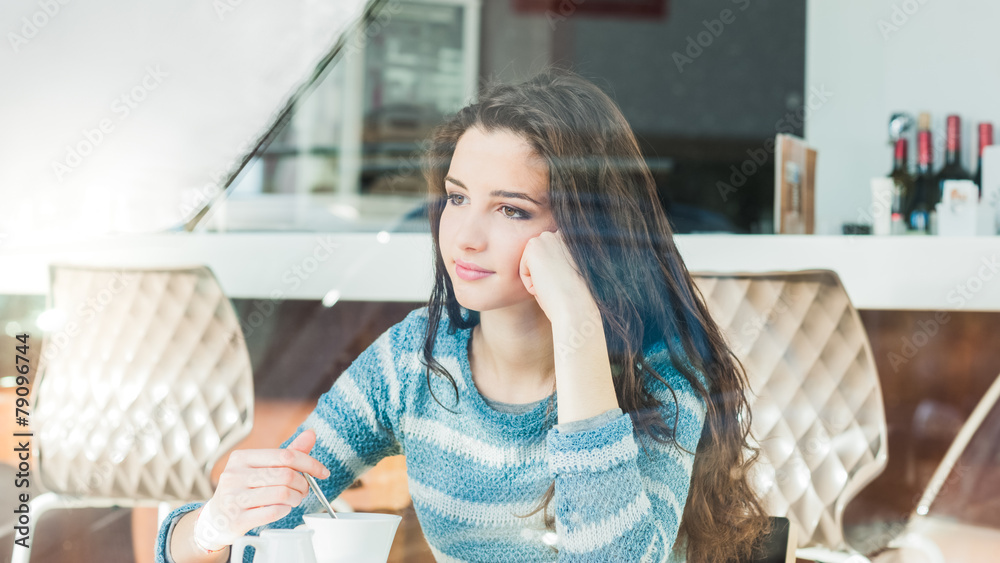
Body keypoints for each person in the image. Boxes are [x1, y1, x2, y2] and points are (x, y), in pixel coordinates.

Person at [155, 68, 769, 563]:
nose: (466, 237)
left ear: (586, 229)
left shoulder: (663, 374)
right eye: (456, 198)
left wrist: (577, 324)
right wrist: (213, 524)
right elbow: (256, 526)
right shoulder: (414, 359)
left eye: (512, 210)